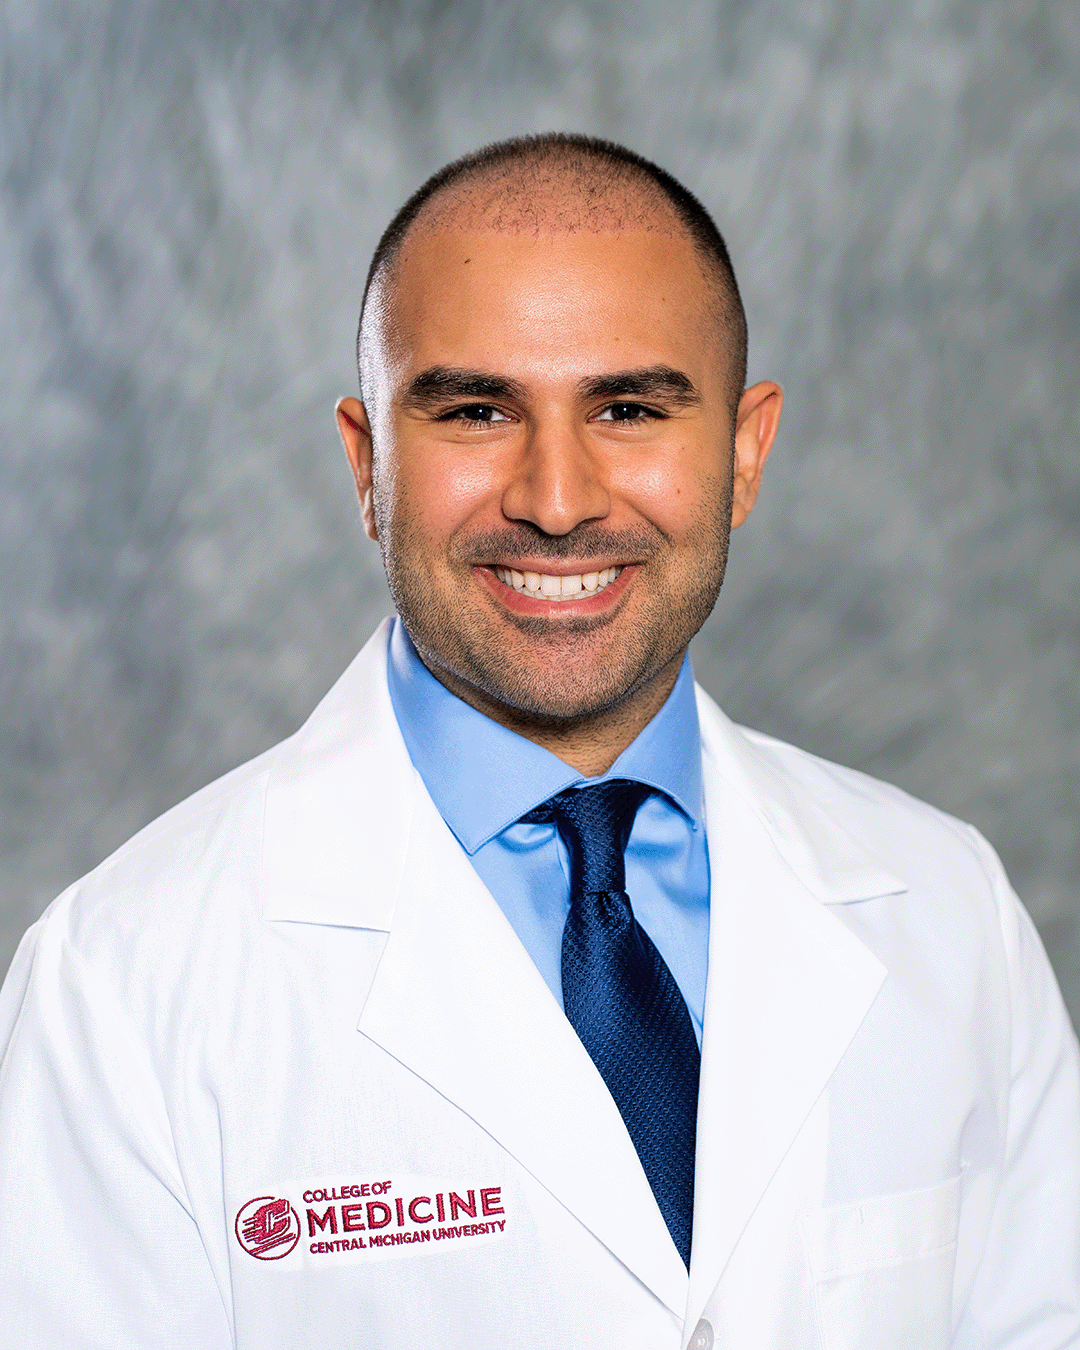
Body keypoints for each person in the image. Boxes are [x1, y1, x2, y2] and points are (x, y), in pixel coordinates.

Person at [0, 133, 1077, 1350]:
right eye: (473, 409)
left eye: (628, 407)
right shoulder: (121, 988)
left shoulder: (948, 909)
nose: (556, 501)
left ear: (743, 453)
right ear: (368, 467)